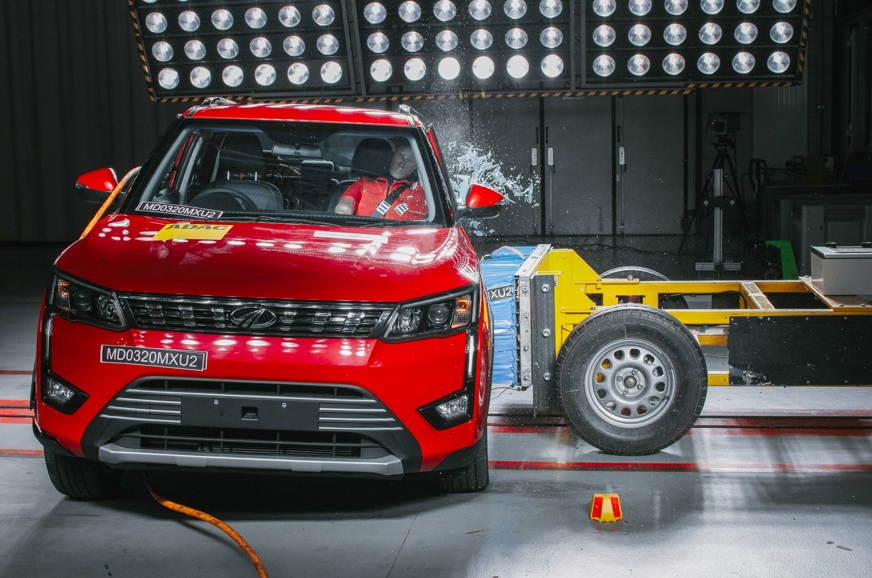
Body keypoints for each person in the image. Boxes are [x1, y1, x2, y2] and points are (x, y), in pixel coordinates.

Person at [334, 142, 427, 220]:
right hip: (363, 233)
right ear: (392, 155)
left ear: (415, 166)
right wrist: (343, 215)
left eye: (409, 161)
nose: (401, 164)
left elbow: (418, 221)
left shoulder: (416, 191)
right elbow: (346, 204)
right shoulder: (364, 183)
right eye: (400, 156)